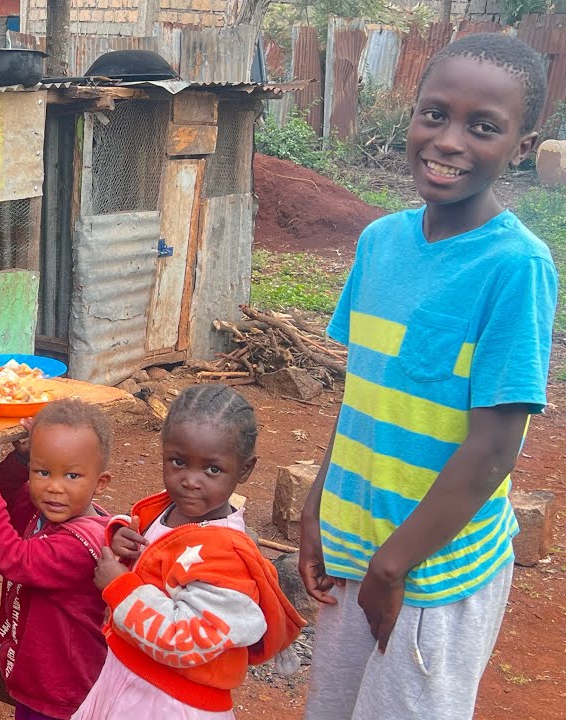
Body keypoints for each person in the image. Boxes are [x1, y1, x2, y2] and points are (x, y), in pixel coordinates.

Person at [297, 33, 556, 720]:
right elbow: (364, 396)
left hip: (432, 570)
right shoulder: (379, 242)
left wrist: (396, 563)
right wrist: (320, 501)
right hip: (358, 542)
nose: (449, 140)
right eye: (434, 114)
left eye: (484, 127)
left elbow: (495, 449)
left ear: (521, 148)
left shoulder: (515, 267)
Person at [76, 384, 305, 720]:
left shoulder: (227, 558)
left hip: (172, 702)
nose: (190, 480)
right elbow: (154, 549)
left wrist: (121, 589)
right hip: (133, 678)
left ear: (245, 470)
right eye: (178, 462)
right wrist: (121, 536)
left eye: (212, 469)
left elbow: (186, 640)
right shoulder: (167, 511)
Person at [0, 399, 115, 720]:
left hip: (63, 693)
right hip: (42, 680)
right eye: (43, 471)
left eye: (72, 476)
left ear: (100, 483)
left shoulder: (81, 545)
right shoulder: (46, 514)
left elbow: (13, 558)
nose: (54, 488)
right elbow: (11, 498)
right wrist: (21, 459)